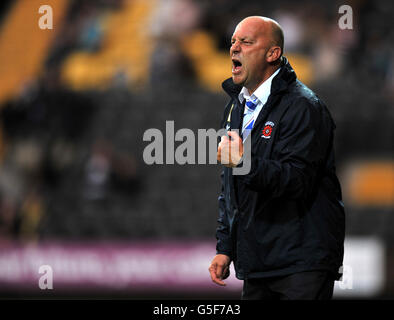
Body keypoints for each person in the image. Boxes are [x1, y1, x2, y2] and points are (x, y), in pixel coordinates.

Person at [208, 16, 345, 300]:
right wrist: (225, 247)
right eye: (233, 41)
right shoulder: (235, 108)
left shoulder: (304, 107)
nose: (234, 48)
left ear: (273, 53)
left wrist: (244, 163)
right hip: (259, 261)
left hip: (302, 262)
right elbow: (230, 188)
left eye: (246, 42)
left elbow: (297, 180)